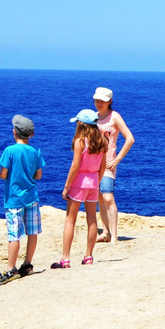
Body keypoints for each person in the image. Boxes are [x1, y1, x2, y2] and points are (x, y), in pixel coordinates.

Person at [0, 115, 45, 287]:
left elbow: (3, 174)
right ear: (32, 135)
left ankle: (11, 268)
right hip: (31, 197)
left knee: (14, 234)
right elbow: (38, 175)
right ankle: (27, 264)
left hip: (14, 199)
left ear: (14, 132)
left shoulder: (10, 151)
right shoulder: (36, 151)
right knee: (32, 232)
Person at [54, 110, 106, 269]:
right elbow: (102, 167)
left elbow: (75, 165)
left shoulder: (80, 141)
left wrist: (67, 186)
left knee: (70, 219)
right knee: (92, 219)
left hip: (79, 182)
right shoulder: (103, 141)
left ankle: (65, 258)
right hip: (93, 182)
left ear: (81, 124)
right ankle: (88, 256)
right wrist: (97, 181)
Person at [93, 86, 134, 244]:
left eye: (101, 101)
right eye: (96, 100)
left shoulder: (114, 116)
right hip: (94, 164)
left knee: (108, 197)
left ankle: (114, 235)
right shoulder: (93, 117)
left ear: (109, 101)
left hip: (108, 164)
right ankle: (105, 232)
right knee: (99, 198)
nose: (98, 103)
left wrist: (117, 160)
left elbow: (129, 138)